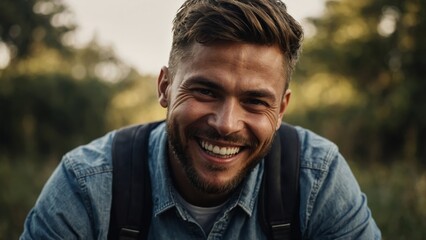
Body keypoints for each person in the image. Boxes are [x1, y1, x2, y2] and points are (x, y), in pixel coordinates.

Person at [21, 0, 381, 239]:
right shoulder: (86, 186)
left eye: (255, 101)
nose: (226, 124)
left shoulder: (318, 179)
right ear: (165, 87)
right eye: (206, 91)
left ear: (281, 110)